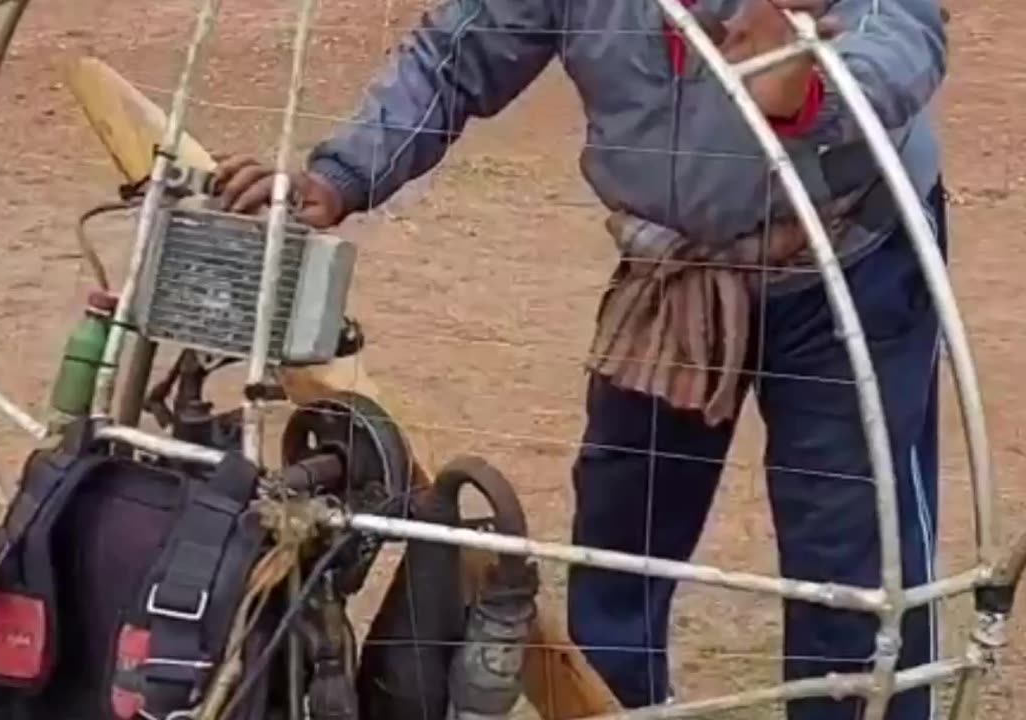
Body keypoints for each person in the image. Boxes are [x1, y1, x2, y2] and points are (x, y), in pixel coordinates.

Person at [210, 1, 949, 718]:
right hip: (672, 274)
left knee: (852, 557)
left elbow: (904, 28)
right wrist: (338, 177)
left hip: (852, 262)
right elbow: (456, 55)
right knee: (622, 547)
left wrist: (808, 89)